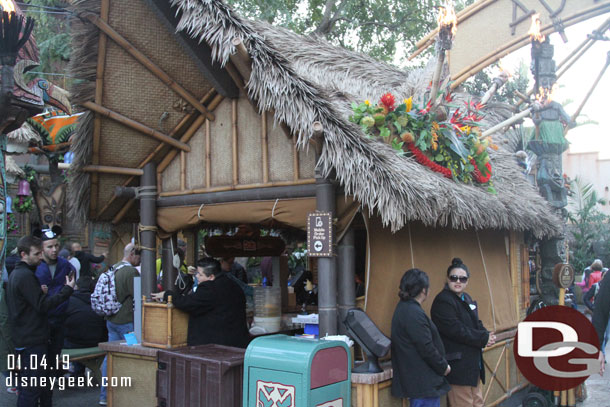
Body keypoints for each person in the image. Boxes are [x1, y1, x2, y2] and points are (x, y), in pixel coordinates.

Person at [6, 235, 75, 406]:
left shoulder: (21, 274)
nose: (40, 257)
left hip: (34, 336)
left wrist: (39, 293)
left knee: (40, 383)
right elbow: (42, 306)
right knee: (31, 388)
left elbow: (30, 303)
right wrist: (67, 290)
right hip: (32, 339)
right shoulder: (24, 275)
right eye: (37, 254)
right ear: (23, 254)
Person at [431, 258, 496, 407]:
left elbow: (476, 322)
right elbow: (457, 330)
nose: (458, 281)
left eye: (462, 278)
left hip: (472, 366)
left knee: (477, 402)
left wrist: (487, 335)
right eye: (454, 278)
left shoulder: (465, 297)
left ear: (467, 281)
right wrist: (483, 338)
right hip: (457, 367)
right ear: (447, 279)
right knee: (463, 403)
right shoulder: (443, 301)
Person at [152, 257, 249, 348]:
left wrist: (167, 295)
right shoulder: (232, 284)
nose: (197, 276)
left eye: (200, 274)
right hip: (237, 342)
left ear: (211, 276)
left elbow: (188, 303)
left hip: (217, 345)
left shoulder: (209, 288)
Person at [391, 268, 451, 407]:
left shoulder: (406, 309)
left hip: (419, 382)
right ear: (424, 290)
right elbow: (426, 347)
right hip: (422, 383)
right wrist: (443, 366)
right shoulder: (412, 313)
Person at [99, 243, 140, 406]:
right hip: (127, 322)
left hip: (112, 320)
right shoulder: (130, 272)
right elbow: (139, 294)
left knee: (110, 357)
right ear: (132, 255)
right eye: (139, 256)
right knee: (132, 355)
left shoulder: (114, 267)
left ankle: (104, 395)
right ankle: (129, 394)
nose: (140, 260)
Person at [34, 226, 76, 380]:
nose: (54, 249)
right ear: (41, 248)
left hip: (59, 318)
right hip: (41, 320)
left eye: (56, 245)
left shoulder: (65, 265)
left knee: (53, 361)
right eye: (50, 246)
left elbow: (72, 278)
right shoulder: (35, 266)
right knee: (38, 363)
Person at [63, 276, 107, 377]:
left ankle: (64, 373)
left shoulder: (69, 301)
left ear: (76, 287)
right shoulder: (98, 300)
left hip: (74, 344)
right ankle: (78, 372)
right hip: (96, 342)